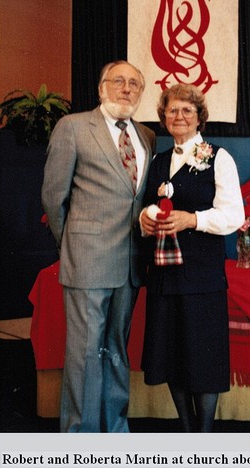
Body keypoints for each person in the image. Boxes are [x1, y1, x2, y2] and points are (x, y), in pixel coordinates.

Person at [41, 60, 155, 432]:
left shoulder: (146, 137)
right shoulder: (72, 128)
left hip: (131, 262)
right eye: (118, 81)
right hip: (87, 260)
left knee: (116, 350)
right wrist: (73, 245)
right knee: (87, 352)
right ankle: (81, 436)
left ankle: (114, 430)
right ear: (101, 87)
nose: (126, 89)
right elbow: (53, 198)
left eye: (134, 84)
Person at [140, 83, 244, 433]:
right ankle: (186, 433)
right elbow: (142, 211)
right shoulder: (157, 161)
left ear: (200, 117)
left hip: (202, 280)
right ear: (163, 118)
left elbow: (232, 216)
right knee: (172, 358)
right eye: (172, 110)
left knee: (204, 361)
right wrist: (146, 219)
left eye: (187, 110)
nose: (179, 116)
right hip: (164, 278)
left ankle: (203, 437)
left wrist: (192, 219)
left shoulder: (219, 158)